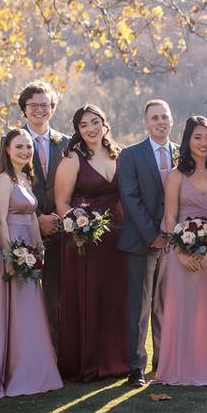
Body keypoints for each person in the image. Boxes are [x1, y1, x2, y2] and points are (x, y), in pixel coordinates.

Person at [54, 105, 128, 381]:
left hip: (117, 237)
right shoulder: (72, 158)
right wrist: (76, 225)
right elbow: (61, 202)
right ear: (78, 130)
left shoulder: (118, 154)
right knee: (89, 296)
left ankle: (116, 360)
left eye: (95, 122)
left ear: (104, 124)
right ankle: (88, 362)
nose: (90, 129)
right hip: (84, 240)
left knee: (115, 297)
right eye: (84, 125)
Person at [0, 129, 63, 399]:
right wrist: (12, 257)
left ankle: (38, 372)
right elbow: (0, 222)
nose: (25, 152)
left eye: (28, 147)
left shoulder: (24, 178)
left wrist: (38, 250)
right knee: (16, 315)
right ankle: (16, 375)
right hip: (12, 253)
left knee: (32, 314)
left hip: (29, 252)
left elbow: (32, 218)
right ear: (7, 149)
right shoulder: (2, 180)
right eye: (19, 147)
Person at [154, 117, 207, 387]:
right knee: (181, 309)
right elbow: (170, 216)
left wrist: (206, 237)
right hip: (180, 251)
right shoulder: (176, 175)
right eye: (197, 137)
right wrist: (180, 252)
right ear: (187, 141)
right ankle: (179, 368)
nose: (203, 143)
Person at [118, 100, 177, 386]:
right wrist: (153, 234)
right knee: (139, 306)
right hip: (141, 241)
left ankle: (163, 362)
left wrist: (175, 234)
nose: (160, 122)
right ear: (145, 122)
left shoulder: (183, 154)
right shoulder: (131, 155)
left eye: (164, 117)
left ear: (172, 120)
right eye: (154, 118)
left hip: (176, 243)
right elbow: (130, 197)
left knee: (165, 305)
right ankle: (136, 366)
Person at [16, 81, 68, 345]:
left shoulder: (67, 143)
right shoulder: (13, 141)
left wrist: (59, 219)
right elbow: (5, 186)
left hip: (62, 229)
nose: (39, 110)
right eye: (33, 105)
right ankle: (32, 349)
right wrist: (37, 221)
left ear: (52, 108)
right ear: (24, 109)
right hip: (25, 228)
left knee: (57, 294)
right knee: (28, 294)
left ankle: (59, 353)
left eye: (45, 105)